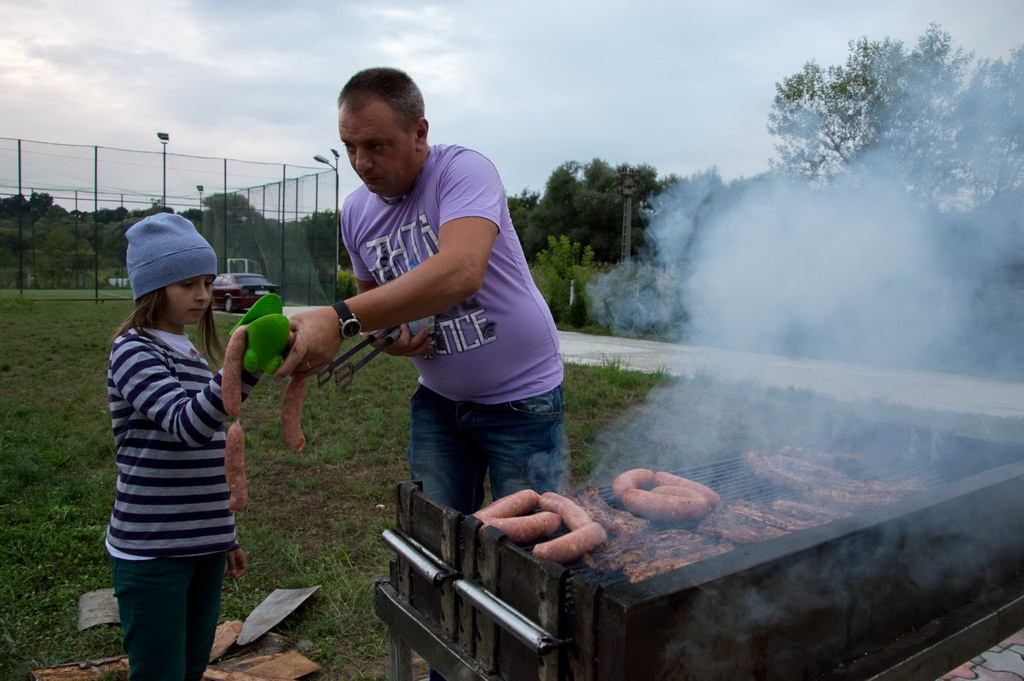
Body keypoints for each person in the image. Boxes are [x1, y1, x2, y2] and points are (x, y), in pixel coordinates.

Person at [278, 66, 565, 516]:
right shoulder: (354, 211)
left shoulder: (464, 171)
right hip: (437, 403)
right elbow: (375, 305)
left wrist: (338, 319)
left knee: (528, 551)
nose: (361, 163)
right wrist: (387, 341)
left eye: (376, 145)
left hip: (522, 400)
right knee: (434, 544)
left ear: (419, 132)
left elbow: (461, 271)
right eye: (349, 147)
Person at [106, 213, 256, 681]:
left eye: (208, 282)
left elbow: (210, 459)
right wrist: (244, 366)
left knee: (191, 665)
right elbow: (187, 425)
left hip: (203, 546)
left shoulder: (189, 352)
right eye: (187, 283)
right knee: (158, 672)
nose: (203, 295)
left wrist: (223, 535)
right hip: (154, 551)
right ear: (153, 286)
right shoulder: (133, 350)